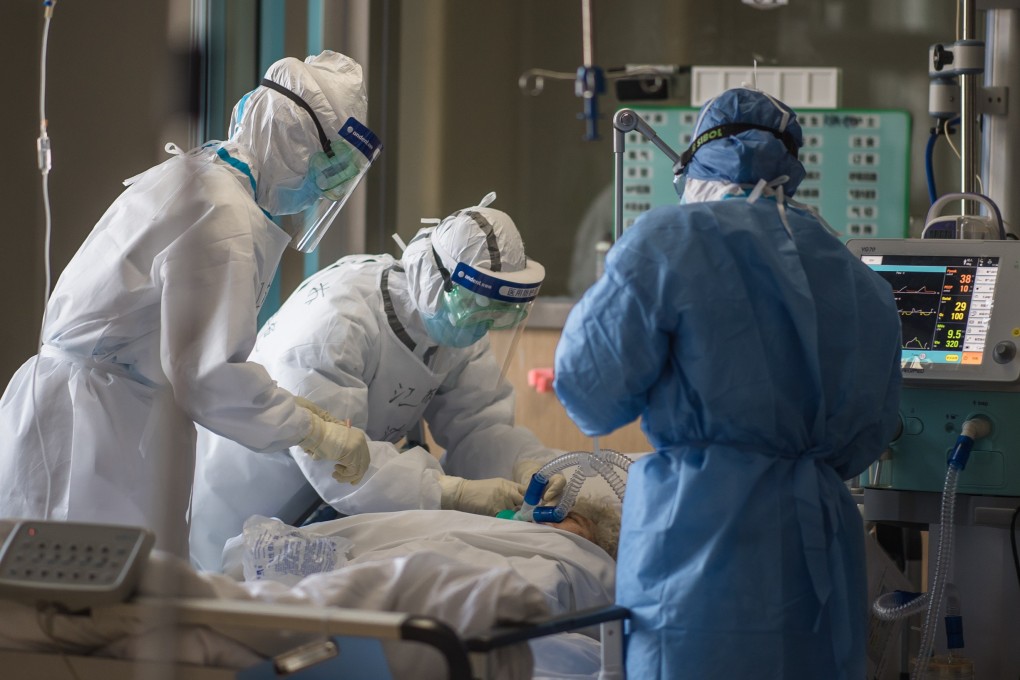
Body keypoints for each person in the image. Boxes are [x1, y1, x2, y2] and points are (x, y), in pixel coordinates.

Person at [553, 87, 903, 680]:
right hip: (819, 545)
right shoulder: (856, 278)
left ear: (692, 164)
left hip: (698, 546)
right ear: (792, 168)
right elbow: (871, 436)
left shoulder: (668, 242)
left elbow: (589, 388)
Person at [0, 51, 380, 556]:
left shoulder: (203, 179)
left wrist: (300, 413)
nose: (323, 187)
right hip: (91, 428)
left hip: (101, 410)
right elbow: (208, 376)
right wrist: (310, 430)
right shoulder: (223, 213)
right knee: (77, 600)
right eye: (328, 166)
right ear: (293, 142)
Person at [190, 196, 565, 571]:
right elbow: (339, 466)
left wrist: (521, 463)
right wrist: (452, 492)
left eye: (496, 314)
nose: (483, 324)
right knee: (232, 587)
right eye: (476, 307)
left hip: (327, 514)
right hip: (245, 499)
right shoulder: (336, 323)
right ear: (436, 282)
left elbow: (480, 424)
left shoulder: (456, 324)